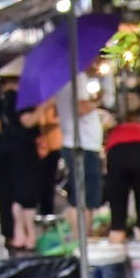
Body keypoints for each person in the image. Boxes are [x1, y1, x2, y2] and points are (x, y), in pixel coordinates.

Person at [0, 88, 44, 251]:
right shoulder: (21, 98)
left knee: (13, 194)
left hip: (5, 150)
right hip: (23, 150)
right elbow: (28, 121)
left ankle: (18, 234)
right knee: (26, 194)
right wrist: (45, 105)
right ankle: (29, 235)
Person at [51, 73, 107, 210]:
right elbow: (81, 107)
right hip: (83, 144)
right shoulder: (78, 76)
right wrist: (99, 99)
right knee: (86, 199)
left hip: (77, 143)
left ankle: (83, 230)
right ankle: (84, 231)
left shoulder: (62, 80)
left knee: (81, 196)